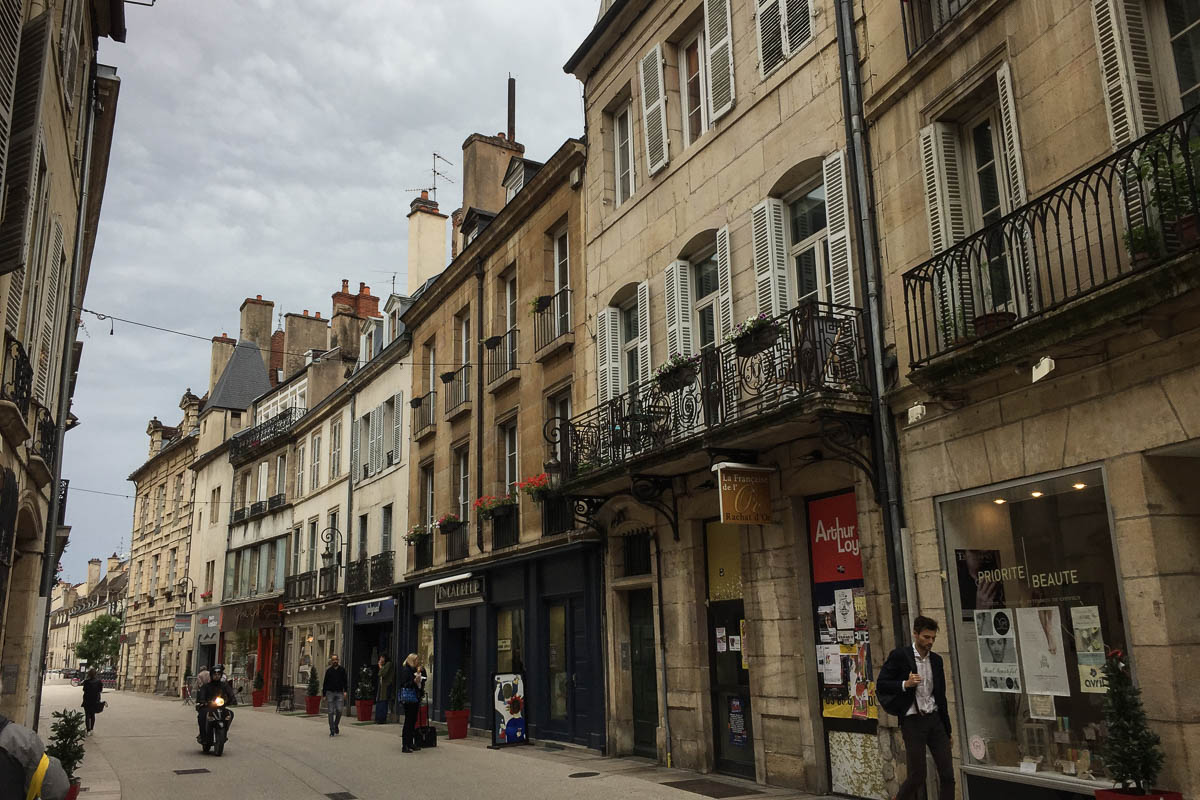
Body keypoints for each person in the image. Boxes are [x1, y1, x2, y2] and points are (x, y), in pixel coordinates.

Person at [876, 616, 954, 800]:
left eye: (933, 638)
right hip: (913, 721)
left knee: (948, 775)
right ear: (915, 634)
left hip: (935, 720)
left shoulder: (936, 660)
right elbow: (882, 684)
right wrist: (905, 683)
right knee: (917, 775)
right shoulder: (900, 656)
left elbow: (940, 696)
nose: (930, 642)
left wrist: (947, 729)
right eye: (926, 637)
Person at [195, 664, 235, 745]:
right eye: (215, 674)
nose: (217, 676)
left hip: (221, 706)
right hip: (208, 706)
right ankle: (203, 736)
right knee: (202, 715)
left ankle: (224, 732)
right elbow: (201, 694)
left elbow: (230, 693)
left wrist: (232, 699)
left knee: (230, 713)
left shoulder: (224, 685)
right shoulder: (206, 686)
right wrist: (203, 701)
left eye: (218, 674)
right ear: (211, 675)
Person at [398, 653, 422, 753]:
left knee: (413, 720)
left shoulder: (414, 670)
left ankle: (411, 742)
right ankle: (405, 744)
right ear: (412, 660)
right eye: (416, 660)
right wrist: (414, 681)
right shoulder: (406, 670)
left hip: (415, 698)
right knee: (408, 721)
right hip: (408, 699)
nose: (418, 662)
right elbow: (405, 684)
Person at [321, 654, 349, 737]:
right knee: (330, 711)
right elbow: (325, 683)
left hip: (339, 692)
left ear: (338, 660)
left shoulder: (342, 670)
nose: (335, 661)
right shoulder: (329, 671)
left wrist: (345, 691)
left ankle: (336, 724)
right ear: (331, 661)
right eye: (333, 660)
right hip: (330, 693)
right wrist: (324, 694)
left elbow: (345, 681)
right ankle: (332, 729)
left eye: (336, 659)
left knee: (339, 710)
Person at [81, 668, 104, 735]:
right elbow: (100, 690)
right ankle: (91, 729)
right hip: (95, 700)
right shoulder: (99, 681)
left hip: (87, 700)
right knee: (92, 715)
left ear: (89, 674)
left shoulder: (86, 682)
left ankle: (88, 730)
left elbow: (84, 690)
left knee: (87, 715)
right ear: (95, 674)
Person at [376, 654, 395, 724]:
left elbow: (382, 673)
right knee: (380, 701)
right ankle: (378, 717)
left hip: (386, 686)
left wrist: (380, 666)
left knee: (383, 701)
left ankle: (381, 718)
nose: (380, 659)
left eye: (382, 658)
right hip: (382, 685)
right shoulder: (385, 665)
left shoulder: (389, 664)